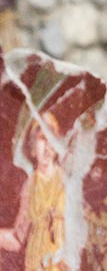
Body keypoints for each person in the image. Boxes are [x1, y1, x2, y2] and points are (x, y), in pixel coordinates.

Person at [0, 112, 68, 271]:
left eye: (52, 138)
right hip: (34, 265)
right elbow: (18, 238)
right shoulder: (30, 186)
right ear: (32, 148)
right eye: (42, 138)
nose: (48, 146)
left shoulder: (66, 182)